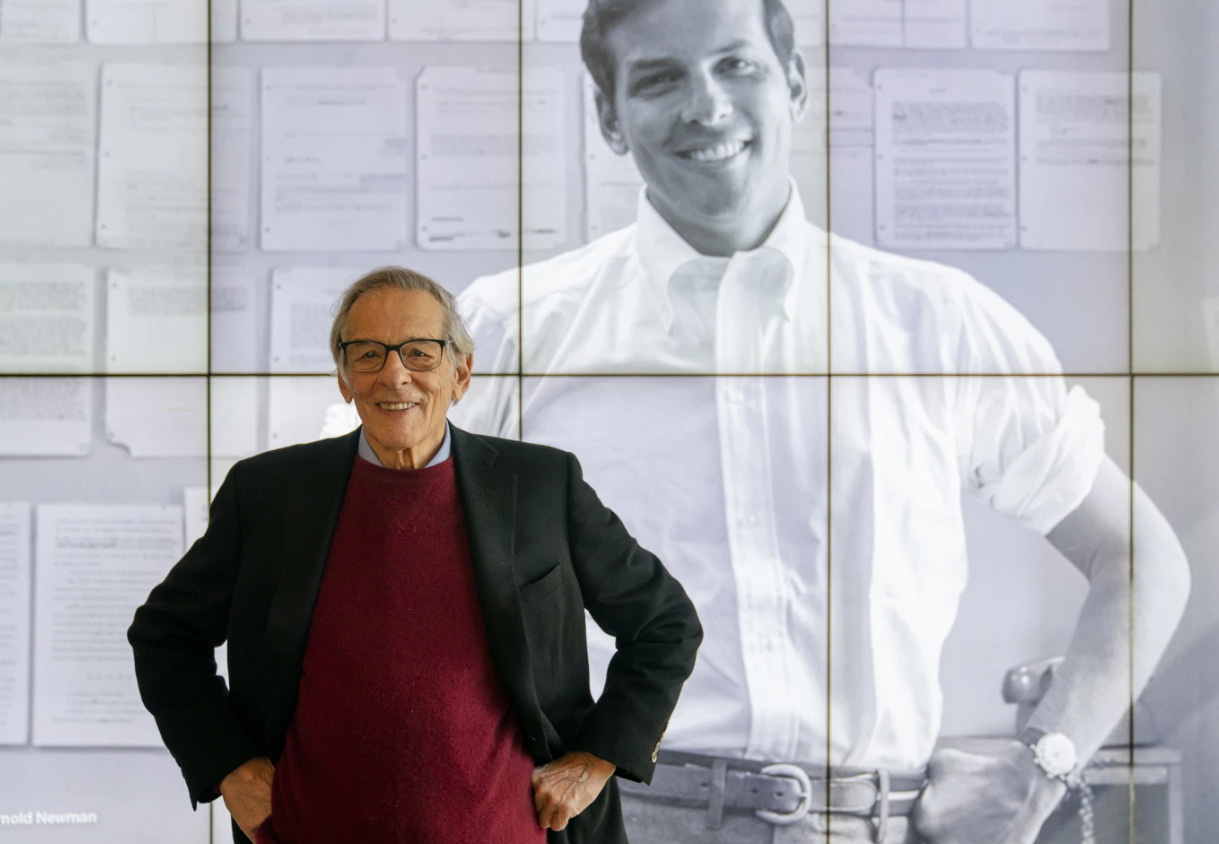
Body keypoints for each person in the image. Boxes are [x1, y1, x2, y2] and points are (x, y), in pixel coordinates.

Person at [437, 0, 1193, 841]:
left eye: (737, 65)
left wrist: (1041, 766)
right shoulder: (510, 331)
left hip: (875, 822)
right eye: (658, 78)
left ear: (793, 82)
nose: (707, 105)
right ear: (610, 118)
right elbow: (354, 558)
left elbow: (1138, 557)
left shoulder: (937, 324)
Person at [127, 267, 703, 844]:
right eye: (369, 354)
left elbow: (665, 625)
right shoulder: (268, 494)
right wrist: (228, 766)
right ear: (345, 378)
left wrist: (599, 757)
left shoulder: (543, 485)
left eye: (420, 353)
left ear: (462, 373)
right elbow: (165, 634)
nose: (394, 374)